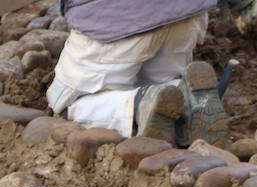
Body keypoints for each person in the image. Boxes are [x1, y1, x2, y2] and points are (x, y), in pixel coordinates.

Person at [46, 0, 227, 145]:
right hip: (187, 14)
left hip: (116, 20)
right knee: (159, 86)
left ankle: (142, 104)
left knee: (66, 105)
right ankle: (189, 98)